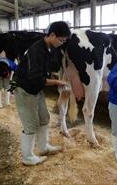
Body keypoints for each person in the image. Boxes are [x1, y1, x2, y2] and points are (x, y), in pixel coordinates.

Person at [13, 21, 71, 166]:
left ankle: (43, 147)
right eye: (61, 39)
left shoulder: (47, 48)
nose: (62, 43)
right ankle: (27, 157)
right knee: (30, 124)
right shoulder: (37, 50)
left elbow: (41, 74)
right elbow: (37, 79)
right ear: (52, 35)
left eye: (64, 40)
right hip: (25, 89)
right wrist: (58, 82)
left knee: (44, 118)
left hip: (35, 89)